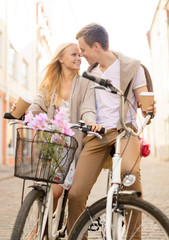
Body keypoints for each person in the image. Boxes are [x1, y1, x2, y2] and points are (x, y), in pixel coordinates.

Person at [67, 23, 156, 238]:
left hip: (124, 131)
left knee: (130, 174)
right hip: (97, 135)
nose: (82, 55)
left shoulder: (132, 68)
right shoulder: (90, 74)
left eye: (84, 50)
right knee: (76, 194)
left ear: (96, 46)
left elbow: (144, 104)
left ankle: (133, 236)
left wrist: (149, 109)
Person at [23, 42, 101, 211]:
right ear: (61, 59)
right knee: (48, 192)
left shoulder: (85, 82)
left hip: (71, 147)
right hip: (50, 146)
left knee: (56, 191)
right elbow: (36, 107)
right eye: (74, 55)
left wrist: (90, 121)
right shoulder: (49, 85)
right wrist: (22, 112)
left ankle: (38, 232)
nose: (79, 58)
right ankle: (44, 227)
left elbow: (88, 107)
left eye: (80, 55)